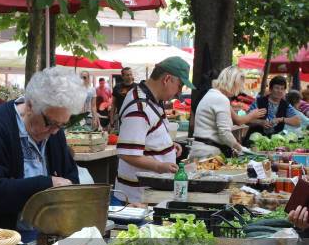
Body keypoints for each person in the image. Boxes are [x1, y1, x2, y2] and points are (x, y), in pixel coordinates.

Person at [0, 66, 86, 242]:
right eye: (50, 123)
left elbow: (70, 177)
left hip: (36, 237)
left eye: (61, 125)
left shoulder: (54, 130)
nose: (54, 132)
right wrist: (46, 185)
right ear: (30, 105)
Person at [113, 57, 194, 204]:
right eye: (180, 85)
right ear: (167, 79)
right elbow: (127, 153)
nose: (179, 93)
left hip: (148, 192)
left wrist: (168, 145)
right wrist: (159, 166)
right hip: (139, 197)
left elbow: (147, 135)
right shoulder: (139, 107)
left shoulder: (152, 99)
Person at [190, 66, 266, 159]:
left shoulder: (212, 94)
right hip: (208, 153)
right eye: (239, 86)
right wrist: (240, 148)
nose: (238, 92)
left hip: (201, 150)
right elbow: (224, 133)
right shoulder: (221, 99)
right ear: (232, 83)